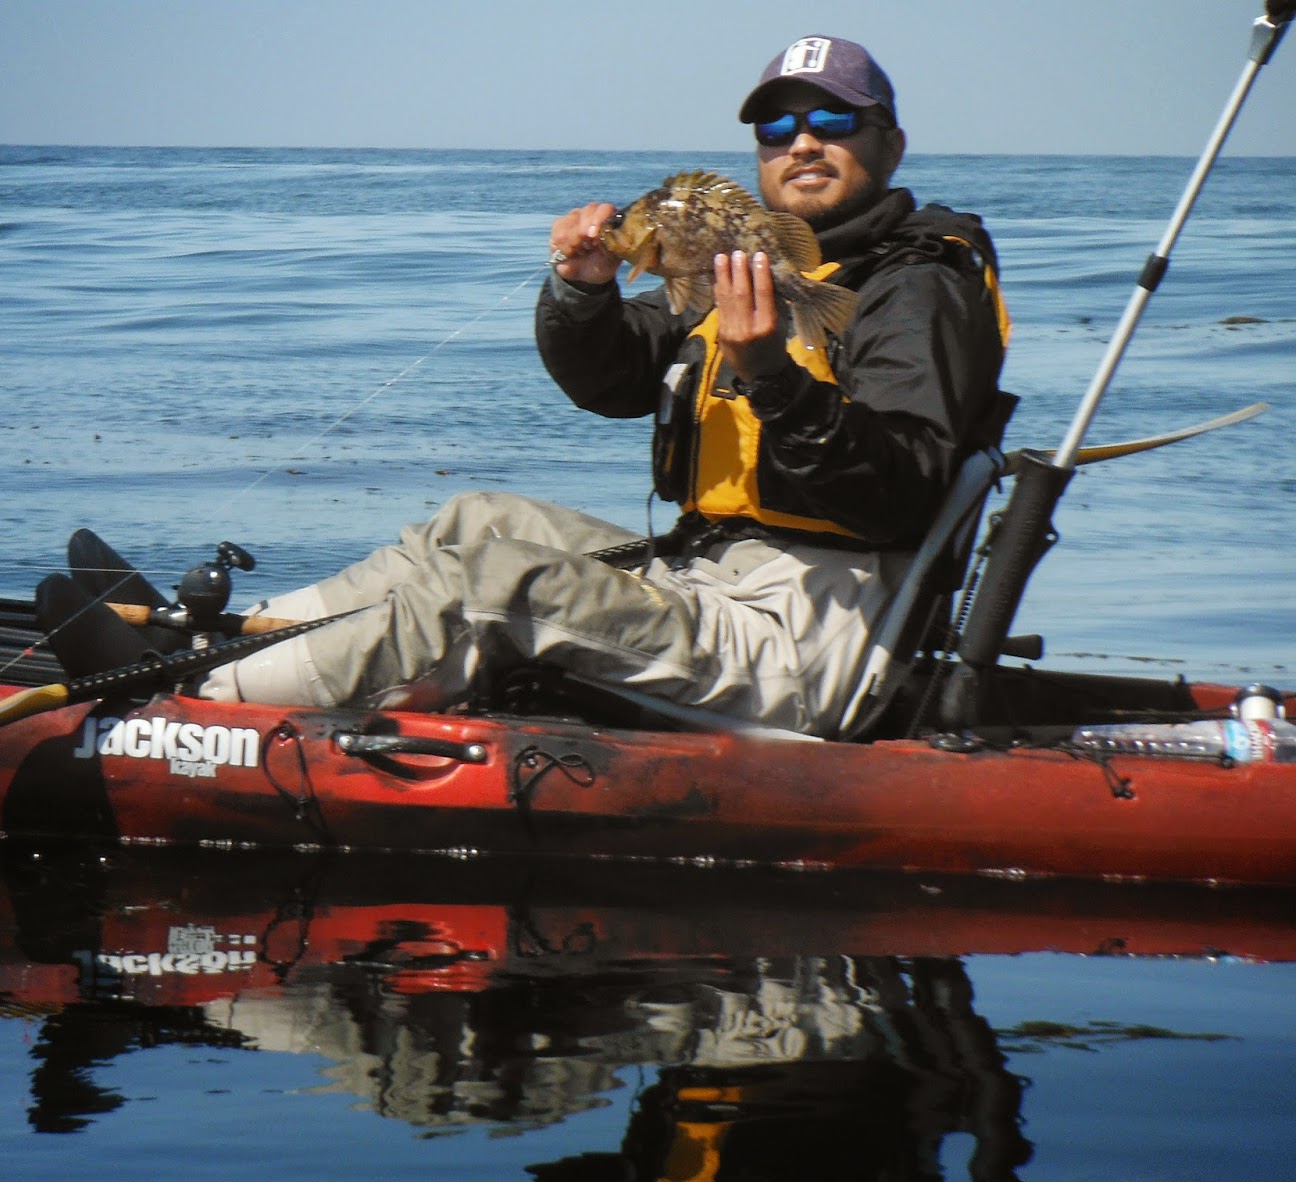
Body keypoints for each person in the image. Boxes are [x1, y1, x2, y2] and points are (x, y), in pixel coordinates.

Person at [181, 34, 1010, 735]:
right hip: (708, 575)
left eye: (834, 120)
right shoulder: (751, 260)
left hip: (811, 634)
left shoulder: (918, 286)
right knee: (474, 519)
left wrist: (774, 379)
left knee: (496, 582)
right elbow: (615, 378)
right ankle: (240, 643)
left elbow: (901, 491)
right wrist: (583, 292)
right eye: (776, 126)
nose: (802, 142)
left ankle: (199, 709)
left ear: (888, 144)